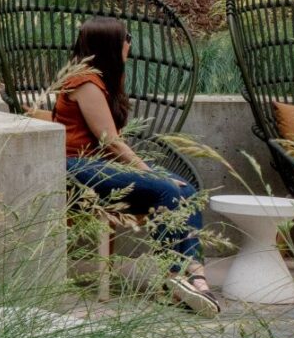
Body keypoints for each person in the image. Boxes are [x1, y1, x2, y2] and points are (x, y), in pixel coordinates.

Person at [51, 16, 218, 316]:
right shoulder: (85, 82)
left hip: (99, 165)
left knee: (187, 189)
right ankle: (173, 277)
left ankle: (195, 275)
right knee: (166, 189)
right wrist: (148, 171)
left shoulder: (103, 79)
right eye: (126, 37)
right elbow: (111, 141)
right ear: (110, 44)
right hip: (75, 167)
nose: (129, 43)